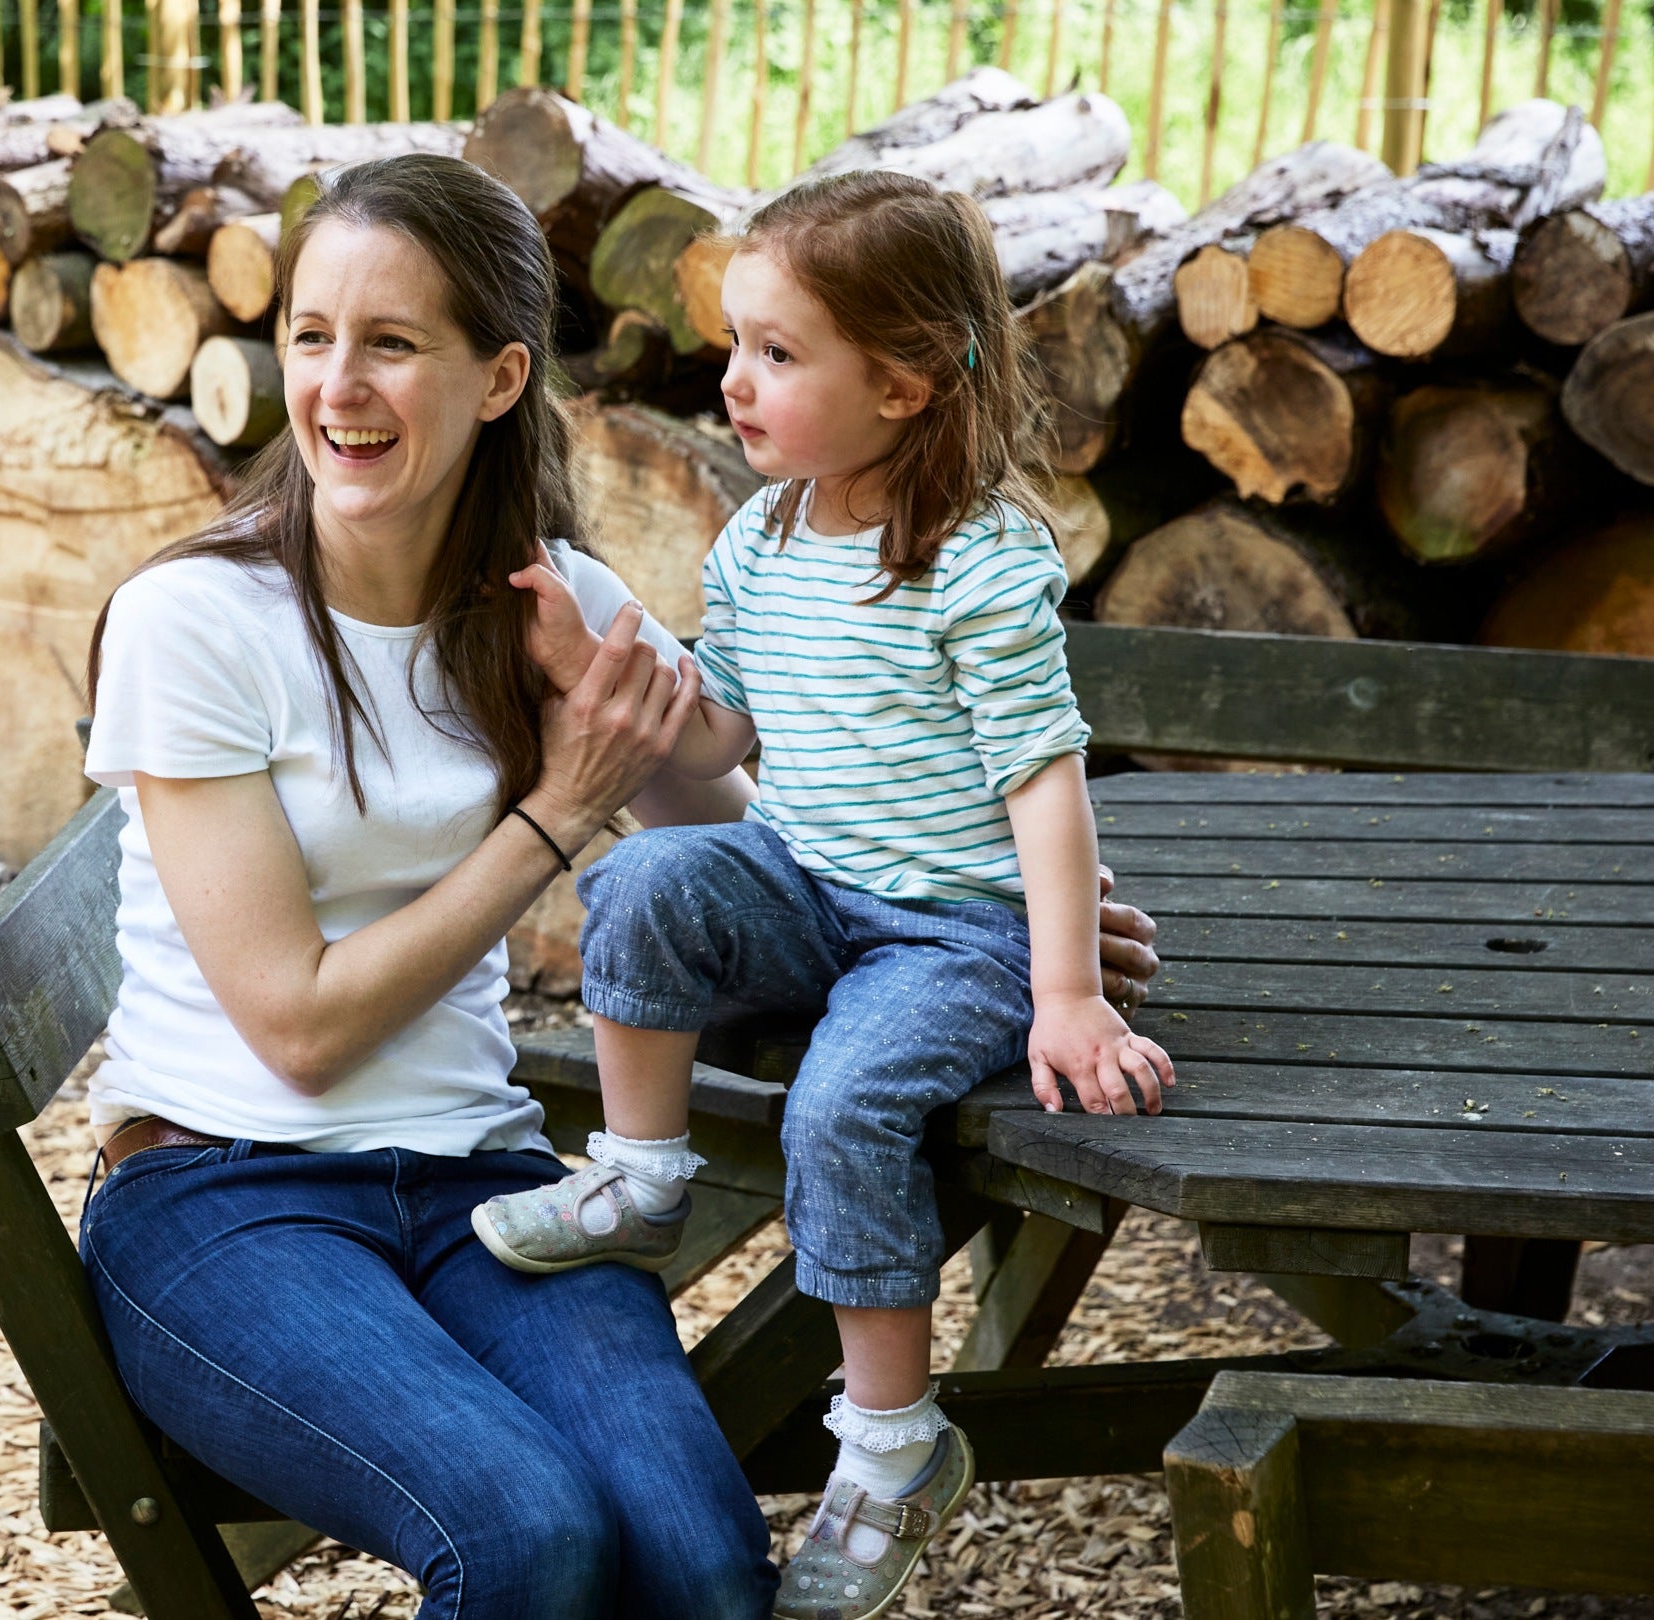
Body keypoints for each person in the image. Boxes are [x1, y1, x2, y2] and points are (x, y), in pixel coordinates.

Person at [76, 154, 1163, 1619]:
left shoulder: (556, 605)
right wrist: (556, 812)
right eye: (313, 337)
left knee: (705, 1568)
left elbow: (767, 836)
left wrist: (994, 918)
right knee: (531, 1536)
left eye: (392, 344)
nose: (338, 387)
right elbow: (300, 1028)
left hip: (478, 1175)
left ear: (501, 376)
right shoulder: (196, 623)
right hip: (224, 1193)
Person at [467, 169, 1179, 1619]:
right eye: (735, 345)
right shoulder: (762, 536)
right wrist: (590, 665)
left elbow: (1046, 783)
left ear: (907, 382)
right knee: (652, 874)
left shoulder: (978, 563)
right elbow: (721, 734)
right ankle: (643, 1175)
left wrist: (1065, 991)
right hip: (808, 879)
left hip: (952, 928)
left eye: (779, 355)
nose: (735, 383)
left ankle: (893, 1449)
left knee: (840, 1108)